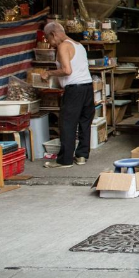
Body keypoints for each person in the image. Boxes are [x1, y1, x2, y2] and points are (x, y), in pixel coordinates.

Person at [40, 22, 94, 168]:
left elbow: (67, 70)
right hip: (88, 87)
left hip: (74, 90)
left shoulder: (63, 46)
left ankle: (65, 160)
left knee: (67, 124)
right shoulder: (79, 45)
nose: (50, 44)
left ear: (53, 34)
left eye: (48, 39)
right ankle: (82, 156)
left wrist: (49, 73)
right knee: (84, 122)